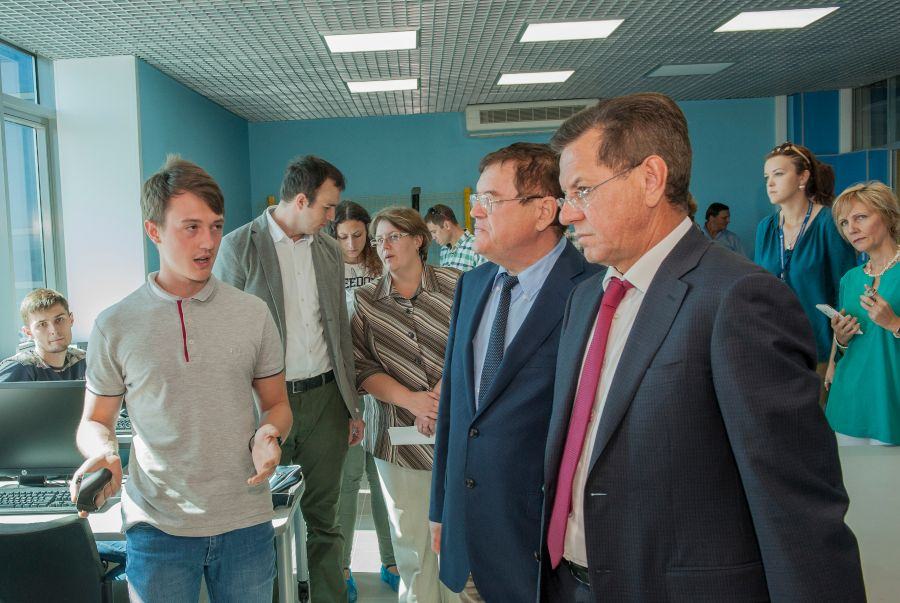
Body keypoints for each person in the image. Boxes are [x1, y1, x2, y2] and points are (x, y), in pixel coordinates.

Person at [540, 93, 864, 601]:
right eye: (565, 195)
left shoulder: (739, 299)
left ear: (651, 178)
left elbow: (795, 505)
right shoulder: (586, 298)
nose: (566, 214)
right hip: (574, 583)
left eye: (582, 190)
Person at [72, 157, 292, 601]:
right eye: (191, 227)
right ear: (153, 231)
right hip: (158, 527)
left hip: (244, 520)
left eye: (216, 226)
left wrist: (270, 433)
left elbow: (277, 404)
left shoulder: (251, 314)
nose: (208, 242)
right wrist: (102, 452)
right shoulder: (116, 324)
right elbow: (95, 420)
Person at [429, 142, 600, 602]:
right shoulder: (473, 284)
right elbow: (455, 409)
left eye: (489, 199)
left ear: (544, 210)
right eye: (475, 199)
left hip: (538, 550)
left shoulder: (592, 290)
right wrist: (441, 508)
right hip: (468, 537)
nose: (474, 211)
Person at [215, 155, 363, 602]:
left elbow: (338, 331)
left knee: (325, 518)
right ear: (301, 200)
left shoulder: (327, 250)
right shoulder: (239, 247)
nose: (333, 216)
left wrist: (352, 406)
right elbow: (224, 336)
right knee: (263, 520)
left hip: (325, 399)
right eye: (327, 207)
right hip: (265, 405)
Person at [351, 207, 460, 603]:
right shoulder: (365, 301)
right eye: (378, 240)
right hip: (397, 441)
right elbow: (360, 366)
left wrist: (439, 398)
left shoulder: (456, 285)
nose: (384, 246)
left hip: (456, 431)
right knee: (412, 546)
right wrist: (413, 401)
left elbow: (474, 345)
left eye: (394, 236)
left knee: (458, 543)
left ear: (419, 240)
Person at [332, 201, 400, 599]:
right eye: (343, 237)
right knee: (348, 479)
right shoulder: (326, 270)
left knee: (383, 478)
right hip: (344, 388)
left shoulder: (382, 265)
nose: (351, 244)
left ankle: (391, 560)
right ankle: (341, 567)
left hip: (382, 383)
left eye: (358, 235)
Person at [755, 142, 856, 385]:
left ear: (803, 177)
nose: (770, 183)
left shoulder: (829, 223)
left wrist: (836, 357)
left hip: (819, 352)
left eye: (779, 174)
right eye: (767, 176)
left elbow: (846, 293)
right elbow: (759, 290)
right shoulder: (766, 228)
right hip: (774, 348)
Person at [826, 181, 900, 445]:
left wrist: (894, 323)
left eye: (860, 217)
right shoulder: (850, 279)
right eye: (844, 223)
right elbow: (843, 347)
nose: (851, 229)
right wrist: (840, 338)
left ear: (888, 216)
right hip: (848, 402)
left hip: (891, 402)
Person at [0, 288, 85, 381]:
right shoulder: (18, 368)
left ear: (71, 319)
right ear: (28, 332)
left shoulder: (85, 360)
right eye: (42, 324)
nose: (54, 330)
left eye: (59, 319)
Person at [424, 204, 485, 271]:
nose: (433, 237)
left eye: (434, 232)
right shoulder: (444, 250)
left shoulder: (478, 247)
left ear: (447, 225)